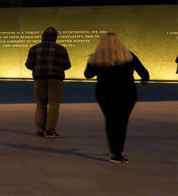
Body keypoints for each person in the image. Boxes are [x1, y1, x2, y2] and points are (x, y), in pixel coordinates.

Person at [84, 33, 150, 164]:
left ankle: (114, 150)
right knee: (122, 122)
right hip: (127, 93)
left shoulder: (98, 57)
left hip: (104, 93)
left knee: (110, 120)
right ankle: (117, 152)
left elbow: (88, 74)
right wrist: (144, 79)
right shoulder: (128, 55)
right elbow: (144, 72)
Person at [24, 26, 70, 138]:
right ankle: (50, 130)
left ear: (42, 36)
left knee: (41, 101)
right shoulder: (61, 49)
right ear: (55, 37)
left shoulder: (34, 48)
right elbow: (67, 65)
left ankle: (40, 128)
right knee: (54, 103)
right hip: (56, 78)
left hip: (39, 77)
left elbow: (28, 64)